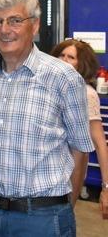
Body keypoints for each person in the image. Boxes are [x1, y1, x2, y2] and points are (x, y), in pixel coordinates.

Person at [0, 0, 94, 236]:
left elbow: (80, 150)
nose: (5, 29)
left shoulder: (63, 78)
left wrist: (67, 208)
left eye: (15, 20)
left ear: (34, 26)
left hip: (41, 218)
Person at [51, 38, 108, 219]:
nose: (64, 60)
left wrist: (106, 188)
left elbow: (100, 144)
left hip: (67, 175)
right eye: (61, 55)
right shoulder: (49, 87)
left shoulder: (86, 93)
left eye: (71, 57)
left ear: (81, 64)